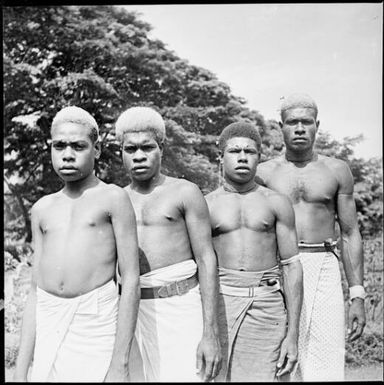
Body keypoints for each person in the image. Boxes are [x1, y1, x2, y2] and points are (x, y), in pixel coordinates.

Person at [13, 106, 140, 382]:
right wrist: (20, 371)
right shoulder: (42, 208)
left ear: (96, 149)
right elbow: (35, 291)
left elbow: (130, 280)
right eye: (59, 145)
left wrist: (120, 364)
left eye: (78, 146)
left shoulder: (113, 198)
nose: (67, 154)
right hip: (50, 319)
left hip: (95, 325)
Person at [257, 93, 366, 381]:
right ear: (280, 126)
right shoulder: (264, 173)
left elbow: (351, 231)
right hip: (278, 268)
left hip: (323, 264)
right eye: (292, 122)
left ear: (317, 125)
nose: (300, 128)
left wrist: (357, 294)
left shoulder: (336, 170)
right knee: (279, 359)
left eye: (306, 122)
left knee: (325, 358)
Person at [115, 106, 222, 382]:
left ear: (161, 147)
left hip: (180, 308)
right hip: (131, 313)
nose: (139, 156)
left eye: (147, 147)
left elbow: (207, 259)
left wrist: (209, 332)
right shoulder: (115, 200)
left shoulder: (184, 192)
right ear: (121, 152)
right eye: (130, 149)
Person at [205, 122, 303, 382]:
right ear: (221, 157)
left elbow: (292, 266)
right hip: (221, 302)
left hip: (266, 305)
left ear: (259, 157)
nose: (242, 157)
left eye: (249, 152)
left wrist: (292, 335)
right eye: (234, 151)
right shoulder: (206, 205)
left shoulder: (276, 202)